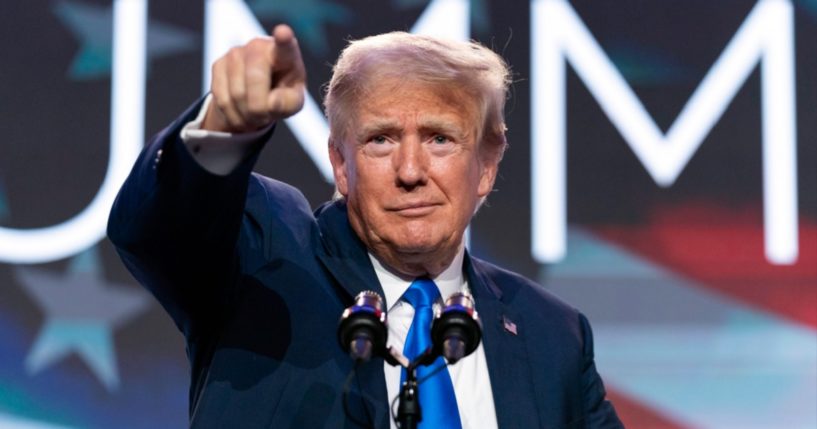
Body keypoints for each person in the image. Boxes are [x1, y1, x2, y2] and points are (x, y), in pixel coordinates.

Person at [108, 24, 623, 428]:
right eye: (381, 139)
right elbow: (157, 228)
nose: (410, 171)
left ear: (487, 163)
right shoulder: (268, 259)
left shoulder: (551, 333)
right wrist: (224, 129)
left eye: (440, 139)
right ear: (340, 164)